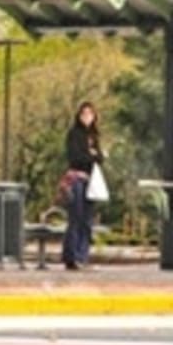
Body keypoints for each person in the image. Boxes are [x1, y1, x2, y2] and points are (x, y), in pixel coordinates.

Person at [62, 101, 104, 270]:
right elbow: (75, 157)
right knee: (76, 218)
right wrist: (92, 156)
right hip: (76, 180)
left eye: (90, 114)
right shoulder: (74, 134)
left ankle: (82, 256)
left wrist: (95, 156)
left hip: (90, 181)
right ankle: (72, 257)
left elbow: (100, 158)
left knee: (87, 220)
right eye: (84, 114)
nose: (87, 117)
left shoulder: (94, 136)